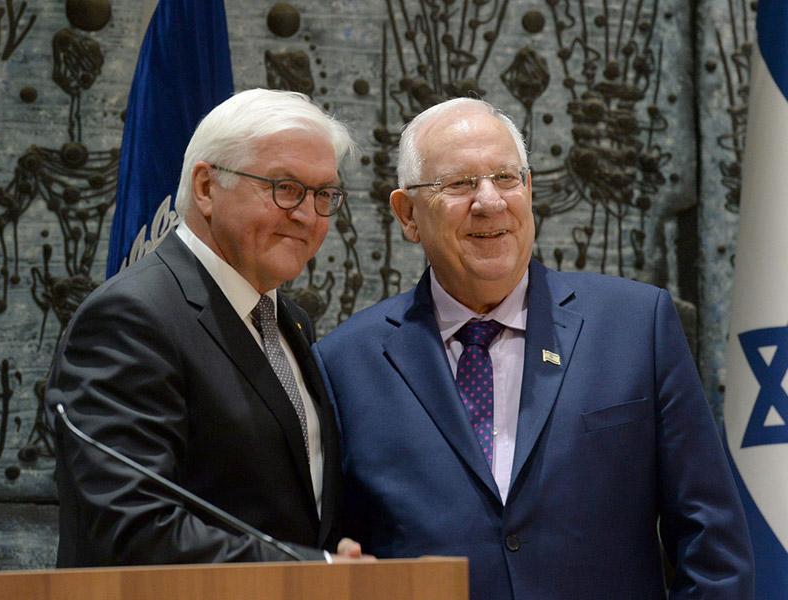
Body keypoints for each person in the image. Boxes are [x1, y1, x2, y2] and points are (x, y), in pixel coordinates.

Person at [313, 97, 754, 598]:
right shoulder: (345, 364)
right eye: (458, 184)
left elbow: (712, 542)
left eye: (506, 178)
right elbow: (334, 556)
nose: (490, 201)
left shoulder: (635, 327)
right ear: (408, 214)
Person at [46, 88, 364, 566]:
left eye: (325, 195)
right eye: (285, 188)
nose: (307, 215)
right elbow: (134, 524)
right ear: (206, 188)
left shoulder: (290, 320)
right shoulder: (132, 317)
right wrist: (315, 571)